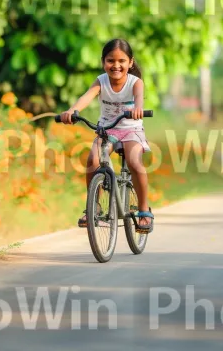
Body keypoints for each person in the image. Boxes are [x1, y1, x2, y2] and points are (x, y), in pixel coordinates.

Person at [59, 39, 154, 233]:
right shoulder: (101, 80)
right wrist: (72, 111)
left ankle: (144, 210)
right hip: (107, 129)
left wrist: (138, 109)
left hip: (131, 129)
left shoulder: (135, 82)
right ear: (103, 62)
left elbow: (139, 99)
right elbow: (86, 96)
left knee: (135, 162)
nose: (116, 65)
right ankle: (94, 207)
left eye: (122, 61)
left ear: (131, 62)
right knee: (92, 160)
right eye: (111, 60)